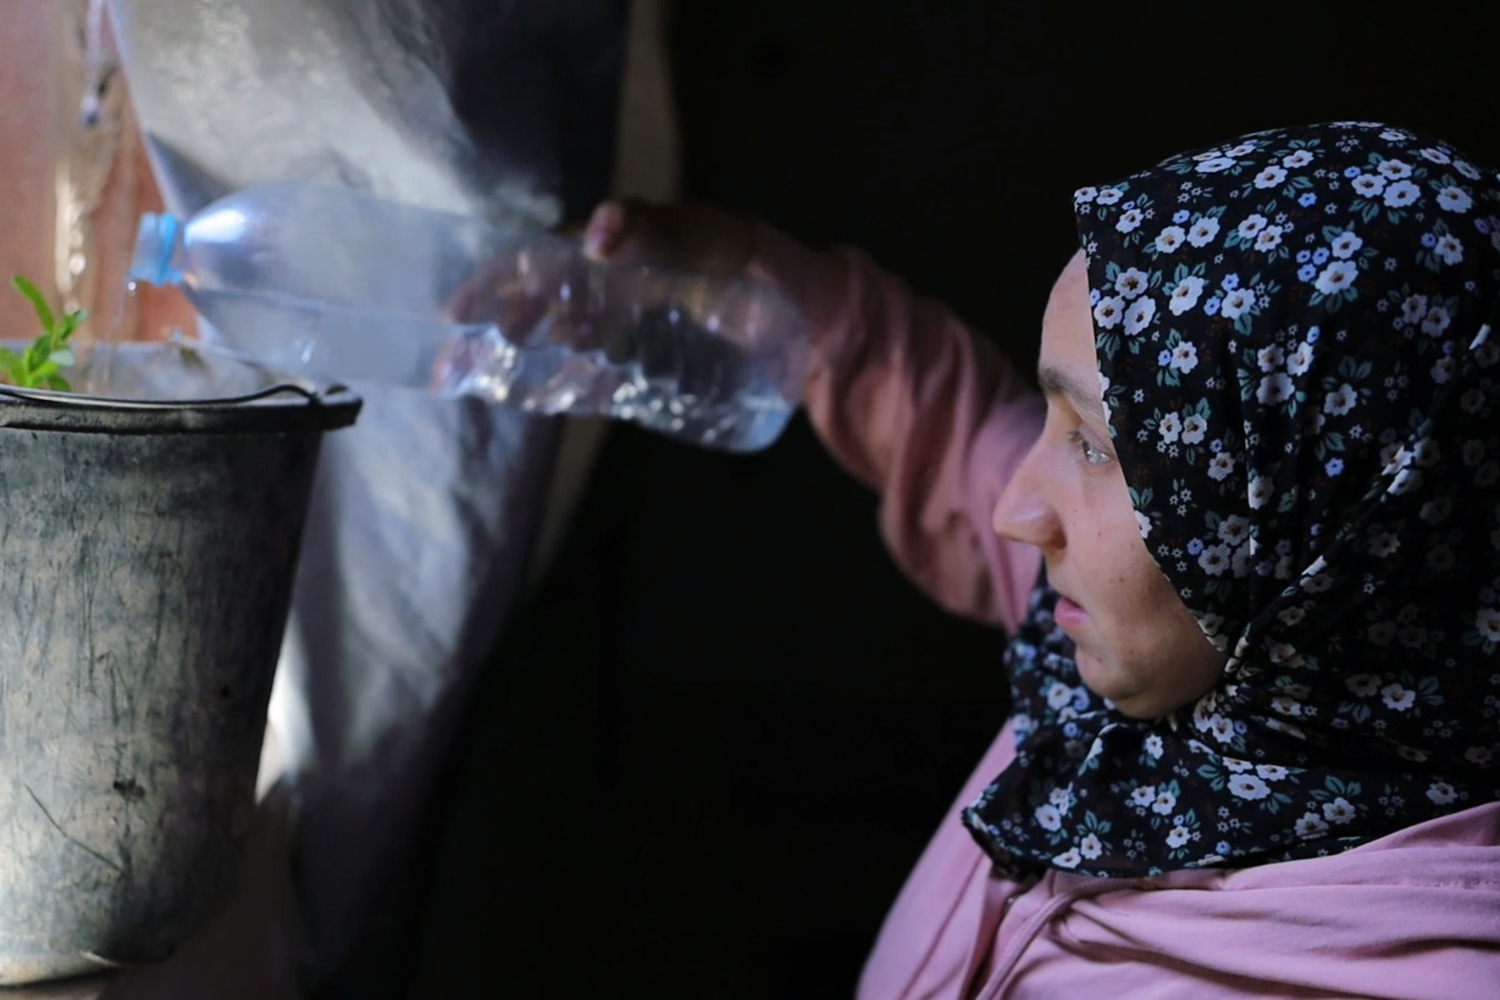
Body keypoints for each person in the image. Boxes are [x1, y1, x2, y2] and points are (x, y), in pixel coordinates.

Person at [581, 120, 1500, 996]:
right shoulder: (1180, 650)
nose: (1016, 512)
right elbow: (950, 424)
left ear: (1334, 533)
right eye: (1054, 420)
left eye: (1094, 445)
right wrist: (742, 270)